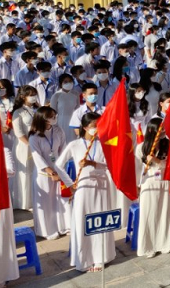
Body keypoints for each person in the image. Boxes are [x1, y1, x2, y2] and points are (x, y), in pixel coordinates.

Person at [57, 112, 115, 273]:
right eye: (93, 126)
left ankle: (101, 256)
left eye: (99, 126)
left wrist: (94, 163)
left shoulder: (104, 143)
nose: (96, 129)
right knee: (83, 221)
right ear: (84, 127)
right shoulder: (74, 145)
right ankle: (83, 259)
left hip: (102, 186)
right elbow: (58, 165)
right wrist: (70, 184)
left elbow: (110, 165)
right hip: (84, 188)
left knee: (101, 220)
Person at [28, 105, 70, 239]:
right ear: (43, 119)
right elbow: (37, 158)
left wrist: (61, 168)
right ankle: (47, 230)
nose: (54, 118)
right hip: (44, 173)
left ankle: (63, 226)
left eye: (54, 116)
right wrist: (51, 172)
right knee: (46, 201)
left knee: (60, 199)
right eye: (51, 117)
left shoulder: (58, 131)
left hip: (58, 169)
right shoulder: (34, 137)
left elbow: (63, 150)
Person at [137, 118, 170, 258]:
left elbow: (169, 164)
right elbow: (136, 168)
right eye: (161, 129)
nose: (163, 131)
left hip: (164, 181)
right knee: (149, 213)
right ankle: (148, 246)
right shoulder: (141, 147)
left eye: (164, 128)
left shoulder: (167, 144)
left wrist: (156, 160)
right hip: (149, 182)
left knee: (163, 212)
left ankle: (165, 243)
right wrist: (137, 185)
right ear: (153, 130)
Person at [0, 138, 19, 288]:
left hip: (0, 198)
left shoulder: (4, 151)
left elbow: (11, 170)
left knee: (0, 237)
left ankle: (1, 276)